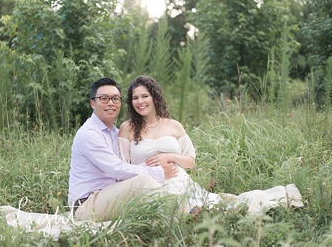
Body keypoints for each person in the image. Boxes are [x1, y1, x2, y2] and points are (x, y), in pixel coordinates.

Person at [117, 76, 303, 214]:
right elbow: (123, 169)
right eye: (135, 98)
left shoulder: (173, 125)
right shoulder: (127, 128)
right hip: (149, 185)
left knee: (219, 207)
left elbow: (191, 161)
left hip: (178, 181)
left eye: (144, 96)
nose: (140, 102)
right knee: (176, 211)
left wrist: (171, 157)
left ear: (154, 97)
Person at [68, 77, 179, 221]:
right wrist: (159, 171)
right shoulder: (89, 133)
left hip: (109, 195)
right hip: (87, 204)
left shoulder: (115, 132)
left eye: (115, 99)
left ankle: (182, 208)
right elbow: (117, 169)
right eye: (104, 98)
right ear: (92, 103)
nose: (110, 103)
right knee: (142, 182)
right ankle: (182, 214)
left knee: (149, 182)